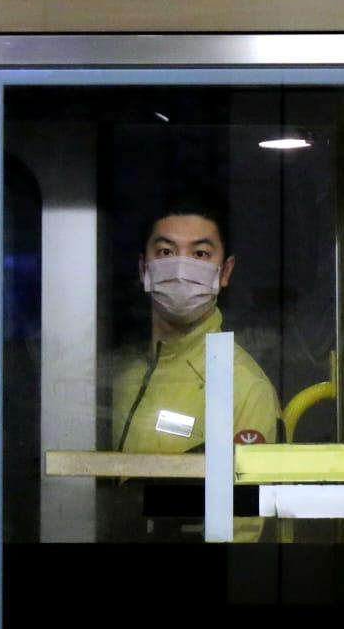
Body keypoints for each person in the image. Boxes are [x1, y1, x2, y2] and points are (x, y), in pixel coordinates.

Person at [109, 200, 280, 539]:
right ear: (144, 268)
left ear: (225, 272)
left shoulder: (243, 385)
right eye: (165, 251)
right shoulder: (123, 376)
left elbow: (242, 530)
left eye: (200, 254)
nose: (181, 268)